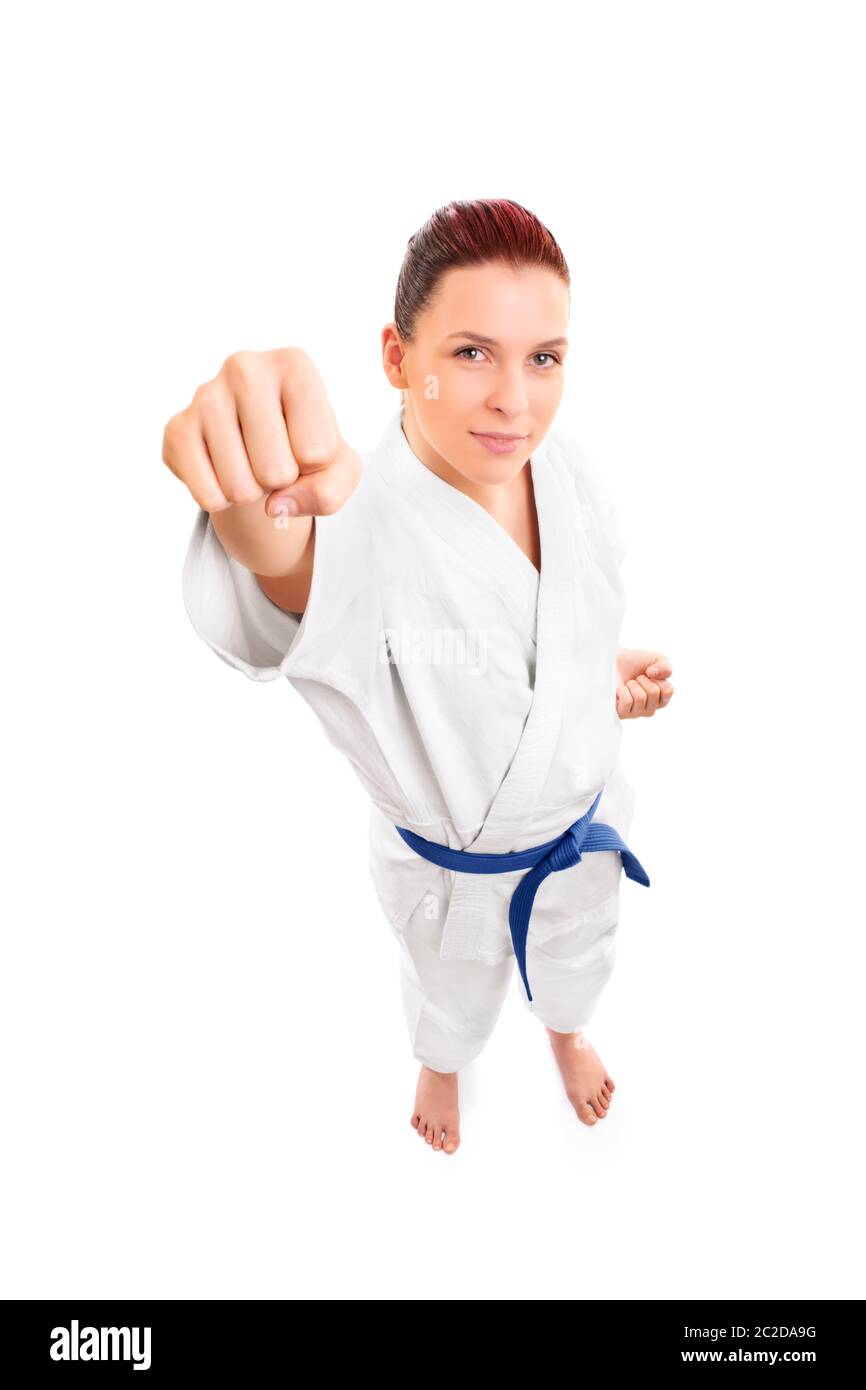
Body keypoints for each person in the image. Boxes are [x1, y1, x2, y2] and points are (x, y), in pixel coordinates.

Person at [164, 198, 674, 1156]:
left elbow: (543, 635)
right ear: (399, 360)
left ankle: (566, 1030)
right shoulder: (356, 518)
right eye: (472, 353)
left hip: (581, 829)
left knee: (580, 957)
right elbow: (298, 568)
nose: (514, 402)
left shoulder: (572, 478)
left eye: (544, 358)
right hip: (457, 878)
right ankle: (442, 1062)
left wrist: (595, 676)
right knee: (452, 990)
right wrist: (249, 489)